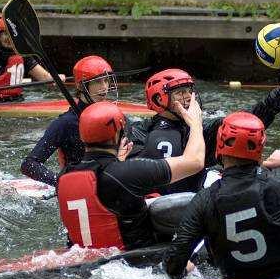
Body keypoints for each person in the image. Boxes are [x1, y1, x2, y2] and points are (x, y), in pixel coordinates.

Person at [163, 111, 280, 279]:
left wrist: (182, 267)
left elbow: (173, 264)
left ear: (219, 145)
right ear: (259, 147)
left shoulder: (204, 199)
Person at [128, 58, 280, 195]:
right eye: (179, 93)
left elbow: (248, 121)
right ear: (158, 98)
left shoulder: (202, 131)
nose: (188, 97)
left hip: (193, 204)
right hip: (156, 208)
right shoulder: (138, 133)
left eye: (189, 91)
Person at [57, 96, 204, 251]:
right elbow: (195, 162)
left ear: (82, 136)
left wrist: (117, 163)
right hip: (137, 263)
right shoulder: (127, 172)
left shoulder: (63, 177)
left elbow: (101, 200)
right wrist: (195, 124)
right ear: (117, 134)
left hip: (84, 260)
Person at [21, 55, 119, 187]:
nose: (104, 87)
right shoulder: (65, 123)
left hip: (109, 182)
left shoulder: (114, 115)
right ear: (81, 85)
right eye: (97, 81)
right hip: (78, 189)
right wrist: (62, 182)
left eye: (106, 81)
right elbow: (29, 165)